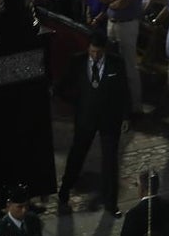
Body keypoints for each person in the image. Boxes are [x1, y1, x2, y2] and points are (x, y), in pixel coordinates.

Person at [56, 32, 132, 217]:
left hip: (109, 120)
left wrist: (126, 116)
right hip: (86, 119)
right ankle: (63, 194)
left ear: (104, 50)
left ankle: (111, 204)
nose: (95, 56)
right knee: (76, 156)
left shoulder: (116, 63)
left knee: (110, 162)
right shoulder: (78, 61)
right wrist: (76, 102)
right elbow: (62, 86)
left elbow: (124, 90)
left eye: (98, 52)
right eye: (92, 51)